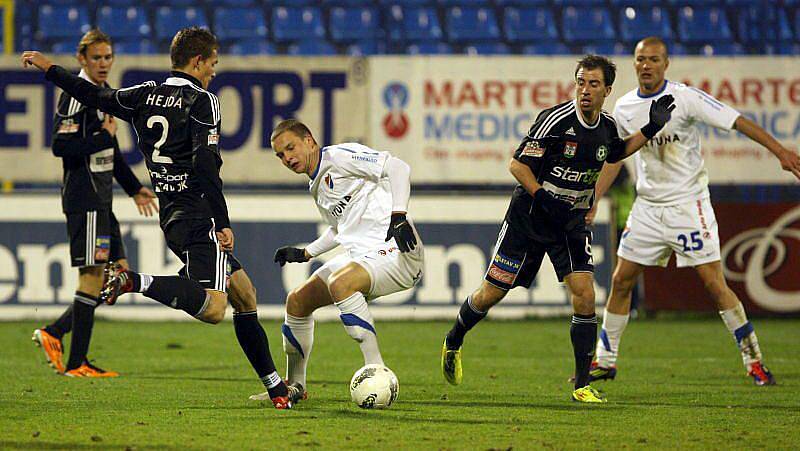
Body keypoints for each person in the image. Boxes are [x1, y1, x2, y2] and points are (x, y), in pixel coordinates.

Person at [22, 27, 298, 409]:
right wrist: (223, 221)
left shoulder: (143, 94)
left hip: (171, 216)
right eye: (213, 64)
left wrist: (50, 68)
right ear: (198, 61)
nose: (214, 72)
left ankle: (277, 390)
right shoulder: (204, 102)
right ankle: (135, 280)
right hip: (199, 214)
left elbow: (93, 94)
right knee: (216, 308)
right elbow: (206, 165)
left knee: (244, 292)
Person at [440, 55, 676, 403]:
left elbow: (616, 153)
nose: (585, 90)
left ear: (607, 90)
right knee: (493, 292)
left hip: (570, 222)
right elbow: (517, 165)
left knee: (585, 295)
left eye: (593, 84)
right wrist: (542, 195)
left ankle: (581, 385)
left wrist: (650, 129)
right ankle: (454, 339)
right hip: (531, 218)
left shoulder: (607, 127)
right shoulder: (554, 121)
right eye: (580, 82)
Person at [587, 37, 800, 386]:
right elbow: (617, 156)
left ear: (665, 64)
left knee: (714, 285)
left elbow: (737, 121)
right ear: (634, 63)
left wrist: (779, 151)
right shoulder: (624, 108)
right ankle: (606, 361)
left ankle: (754, 361)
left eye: (654, 59)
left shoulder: (685, 98)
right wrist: (595, 198)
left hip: (689, 206)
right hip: (648, 208)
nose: (646, 65)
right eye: (641, 59)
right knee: (620, 280)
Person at [261, 119, 423, 403]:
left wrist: (398, 214)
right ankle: (295, 386)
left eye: (291, 148)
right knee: (297, 301)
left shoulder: (339, 157)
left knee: (341, 283)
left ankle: (377, 371)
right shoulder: (316, 182)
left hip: (395, 249)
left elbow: (398, 167)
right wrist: (306, 253)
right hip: (362, 255)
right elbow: (341, 227)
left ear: (309, 141)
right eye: (280, 155)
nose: (287, 158)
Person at [31, 29, 158, 378]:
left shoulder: (100, 96)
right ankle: (76, 362)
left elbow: (109, 151)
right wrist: (104, 135)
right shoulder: (74, 97)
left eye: (108, 57)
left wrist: (134, 188)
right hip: (84, 199)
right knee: (93, 277)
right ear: (82, 60)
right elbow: (61, 147)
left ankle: (55, 333)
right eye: (97, 57)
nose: (103, 63)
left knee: (115, 275)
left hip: (102, 200)